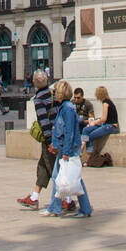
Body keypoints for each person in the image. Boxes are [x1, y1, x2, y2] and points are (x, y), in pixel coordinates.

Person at [43, 80, 92, 218]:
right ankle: (79, 208)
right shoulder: (64, 107)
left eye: (56, 92)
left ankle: (57, 208)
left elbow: (69, 131)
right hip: (65, 147)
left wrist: (65, 152)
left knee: (69, 178)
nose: (54, 94)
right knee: (67, 177)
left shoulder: (68, 109)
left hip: (69, 149)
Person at [18, 71, 60, 210]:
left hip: (51, 139)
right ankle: (34, 197)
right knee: (43, 166)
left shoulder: (38, 99)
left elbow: (44, 121)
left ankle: (67, 200)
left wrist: (49, 142)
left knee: (56, 169)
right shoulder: (54, 94)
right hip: (59, 134)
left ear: (35, 83)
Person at [81, 86, 119, 164]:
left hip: (110, 126)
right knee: (85, 130)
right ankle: (82, 147)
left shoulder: (106, 103)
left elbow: (103, 119)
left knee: (90, 136)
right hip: (106, 125)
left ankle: (89, 158)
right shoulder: (107, 101)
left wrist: (94, 122)